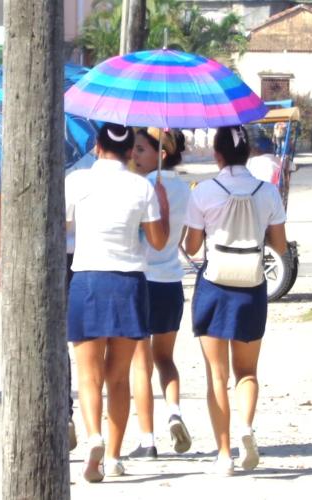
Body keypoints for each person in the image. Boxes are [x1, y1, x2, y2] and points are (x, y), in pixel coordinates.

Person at [65, 123, 169, 482]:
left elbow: (61, 227)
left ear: (98, 146)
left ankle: (94, 436)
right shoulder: (142, 186)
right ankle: (112, 456)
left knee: (89, 374)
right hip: (128, 282)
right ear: (129, 152)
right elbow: (158, 242)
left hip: (88, 279)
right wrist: (162, 205)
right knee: (119, 377)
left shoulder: (77, 181)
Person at [184, 125, 287, 476]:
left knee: (217, 374)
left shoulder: (204, 191)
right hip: (251, 284)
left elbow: (193, 247)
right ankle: (246, 427)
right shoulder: (267, 192)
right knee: (247, 372)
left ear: (217, 154)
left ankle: (224, 454)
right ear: (249, 153)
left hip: (215, 285)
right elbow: (280, 246)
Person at [0, 193, 78, 451]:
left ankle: (40, 414)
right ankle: (66, 413)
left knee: (35, 336)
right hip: (77, 256)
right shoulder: (82, 172)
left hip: (25, 255)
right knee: (65, 338)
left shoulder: (3, 173)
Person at [129, 128, 192, 460]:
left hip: (142, 280)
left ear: (161, 154)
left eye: (141, 149)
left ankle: (147, 439)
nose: (134, 154)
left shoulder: (142, 188)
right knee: (165, 359)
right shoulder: (185, 190)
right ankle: (174, 412)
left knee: (141, 364)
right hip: (170, 282)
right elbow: (184, 238)